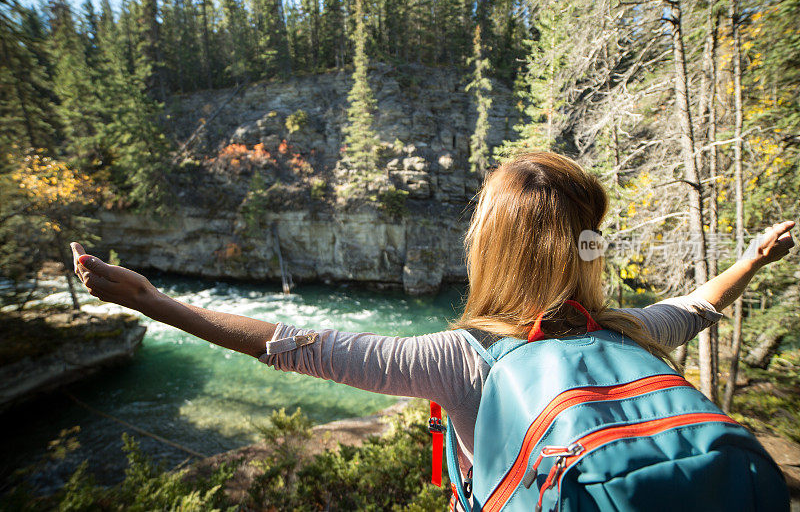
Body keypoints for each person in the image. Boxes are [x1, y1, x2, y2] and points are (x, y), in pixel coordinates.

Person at [71, 151, 794, 508]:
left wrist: (154, 299)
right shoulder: (629, 329)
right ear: (588, 248)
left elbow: (295, 344)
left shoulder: (464, 357)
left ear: (491, 250)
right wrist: (753, 258)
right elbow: (700, 305)